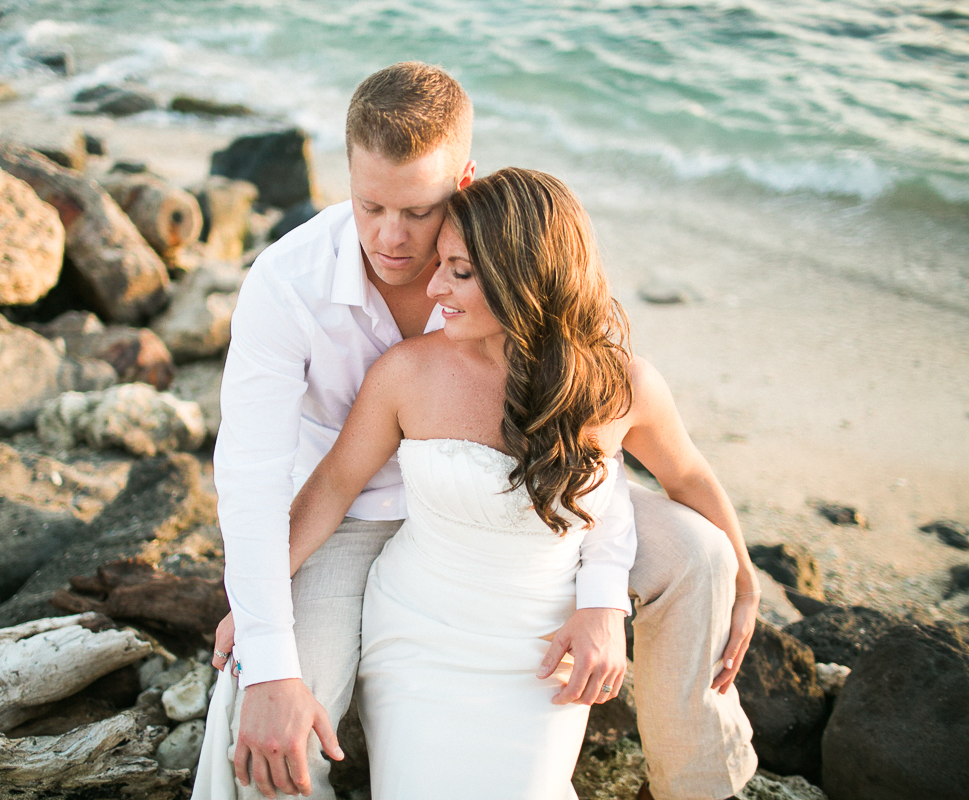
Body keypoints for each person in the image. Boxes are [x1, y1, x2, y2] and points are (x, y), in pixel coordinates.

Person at [196, 62, 760, 800]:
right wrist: (261, 622)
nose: (391, 240)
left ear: (464, 181)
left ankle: (694, 783)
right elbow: (258, 476)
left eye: (418, 212)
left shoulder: (516, 263)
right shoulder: (286, 284)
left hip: (520, 516)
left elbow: (598, 452)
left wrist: (613, 592)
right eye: (369, 206)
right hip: (351, 520)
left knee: (701, 555)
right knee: (258, 723)